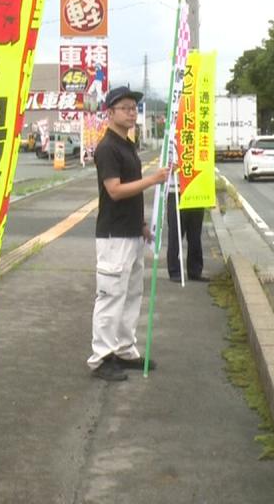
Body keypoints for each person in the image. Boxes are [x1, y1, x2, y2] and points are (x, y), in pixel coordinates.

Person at [88, 85, 170, 382]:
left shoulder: (128, 145)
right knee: (110, 296)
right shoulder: (108, 148)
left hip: (130, 233)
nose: (132, 112)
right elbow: (115, 190)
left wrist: (142, 226)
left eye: (134, 108)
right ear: (110, 112)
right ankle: (101, 358)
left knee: (131, 294)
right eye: (125, 107)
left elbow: (130, 193)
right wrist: (153, 179)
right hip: (113, 236)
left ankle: (124, 350)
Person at [165, 175, 208, 283]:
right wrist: (171, 167)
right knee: (176, 233)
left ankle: (195, 271)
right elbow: (164, 167)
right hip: (176, 191)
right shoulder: (170, 156)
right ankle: (174, 271)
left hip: (196, 190)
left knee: (195, 234)